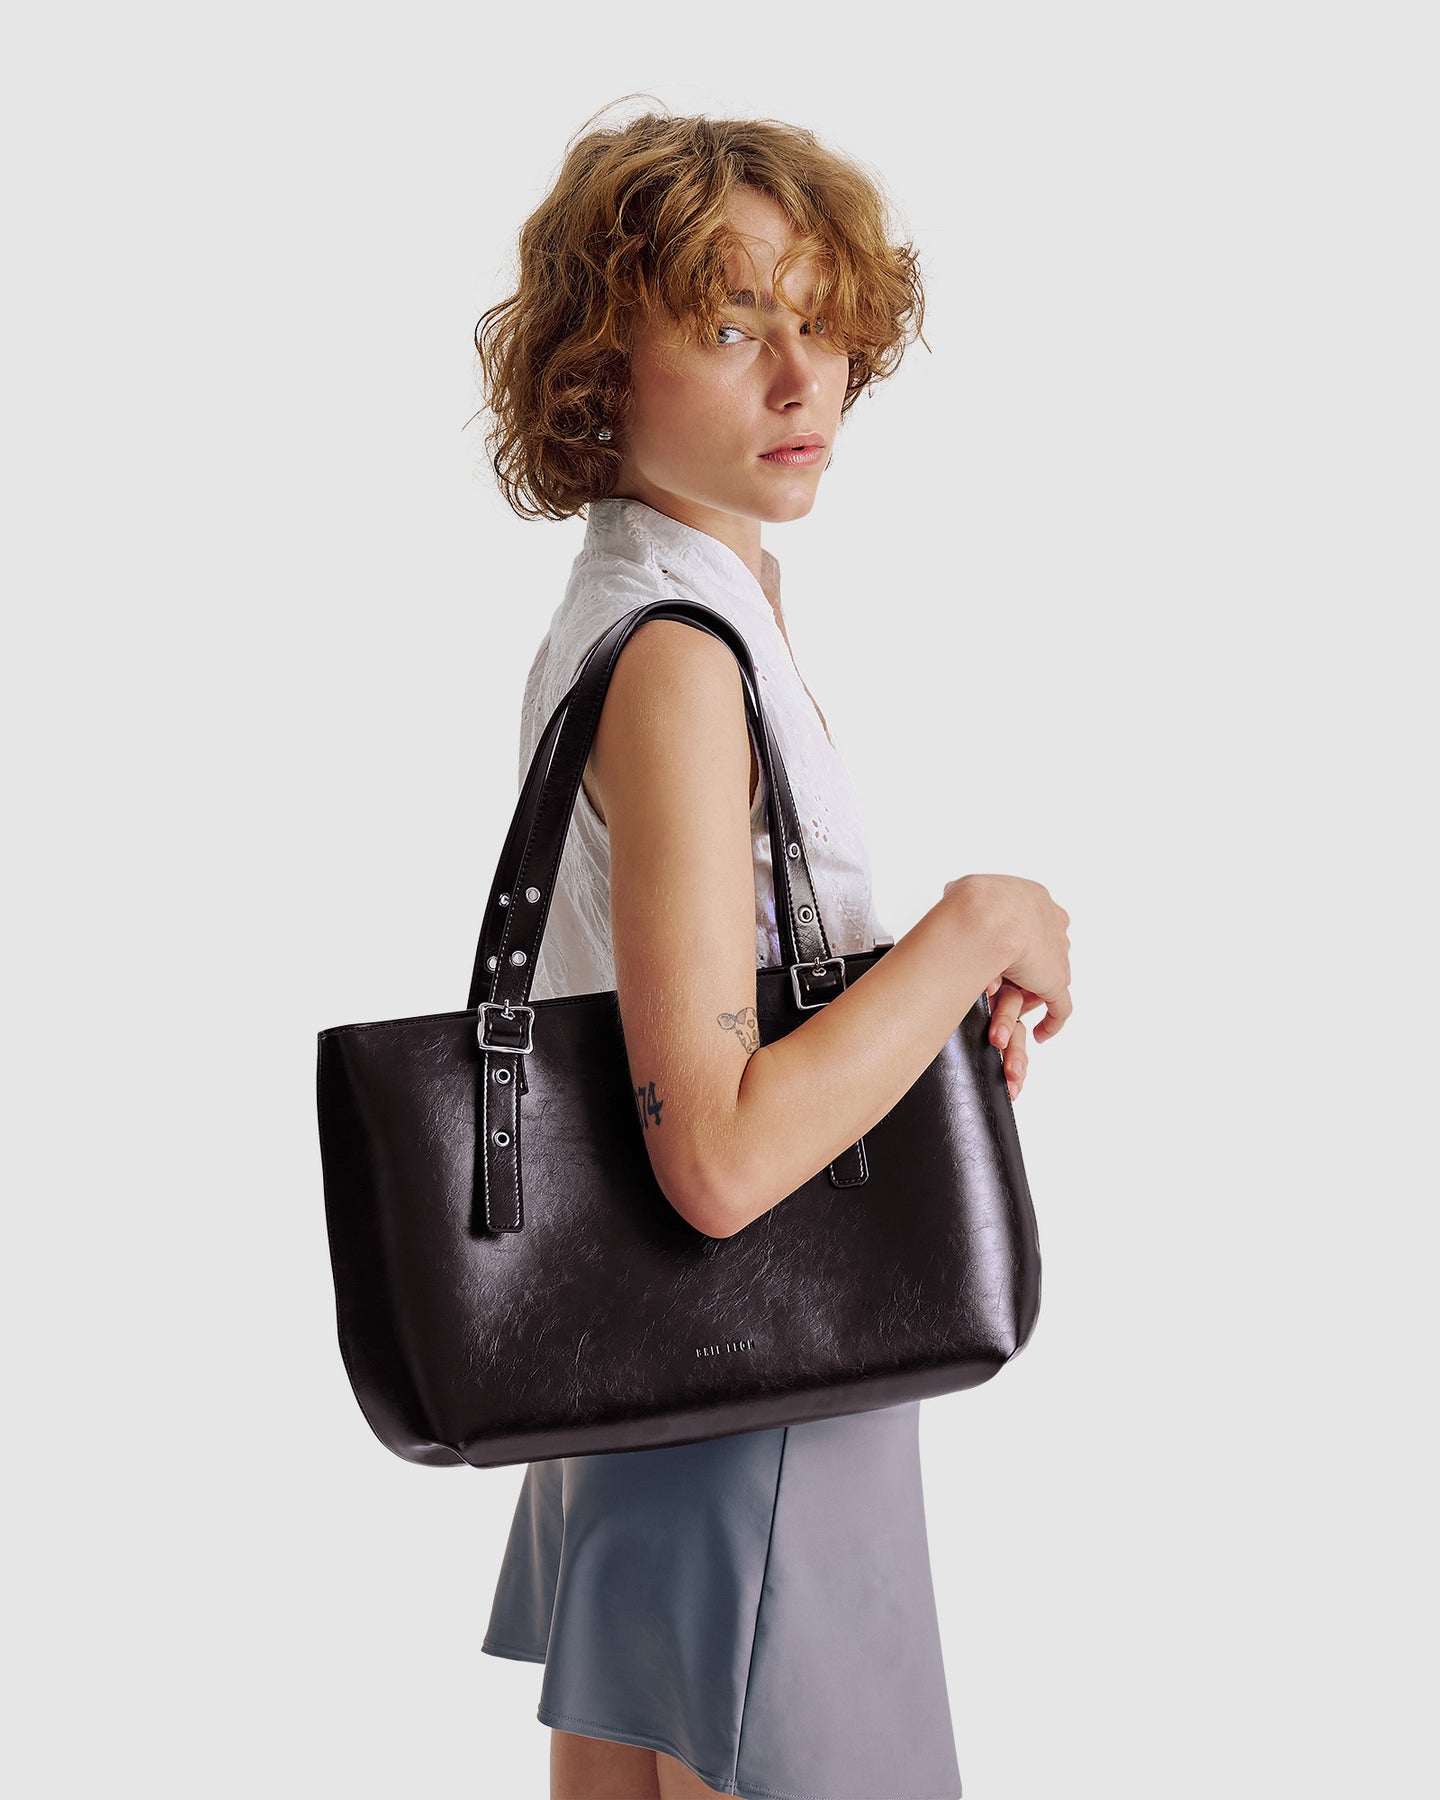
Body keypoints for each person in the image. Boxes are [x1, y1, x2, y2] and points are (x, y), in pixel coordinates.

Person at [471, 104, 1072, 1800]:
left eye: (822, 320)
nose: (806, 379)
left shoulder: (662, 602)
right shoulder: (678, 656)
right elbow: (723, 1159)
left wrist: (903, 1011)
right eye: (736, 329)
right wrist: (967, 932)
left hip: (651, 1375)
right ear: (600, 374)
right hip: (766, 1387)